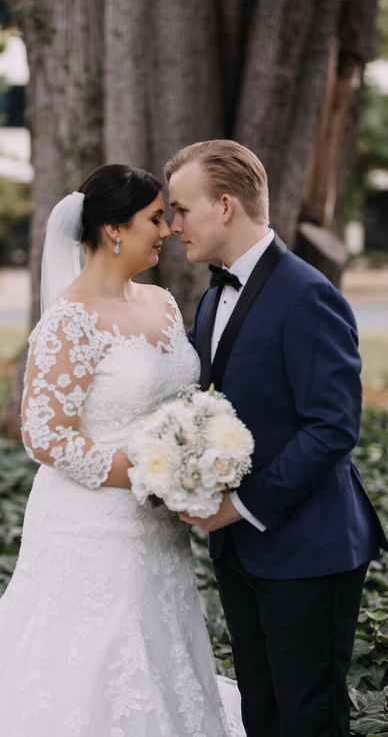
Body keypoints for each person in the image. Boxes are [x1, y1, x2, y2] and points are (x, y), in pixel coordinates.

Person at [0, 164, 244, 736]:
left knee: (159, 640)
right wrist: (151, 477)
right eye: (155, 219)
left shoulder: (161, 303)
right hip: (92, 523)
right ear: (114, 229)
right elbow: (46, 435)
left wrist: (193, 456)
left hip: (159, 527)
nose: (167, 230)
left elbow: (178, 400)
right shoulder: (70, 321)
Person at [165, 139, 388, 737]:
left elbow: (333, 427)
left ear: (226, 205)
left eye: (182, 209)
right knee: (261, 713)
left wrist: (239, 506)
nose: (172, 225)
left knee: (308, 719)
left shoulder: (308, 293)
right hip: (242, 553)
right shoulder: (213, 297)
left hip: (310, 552)